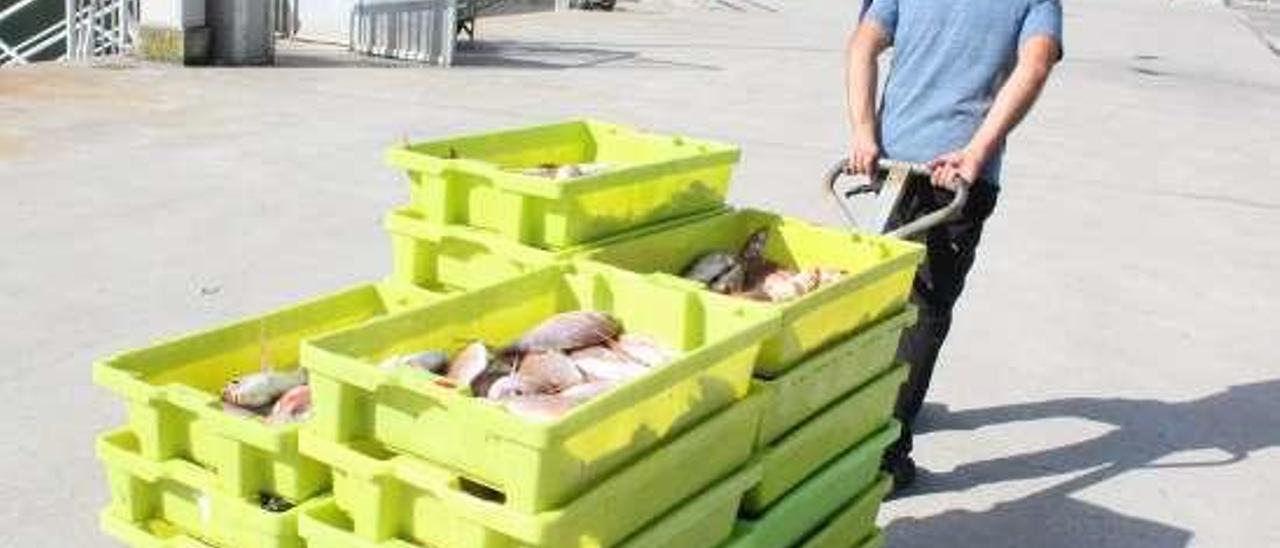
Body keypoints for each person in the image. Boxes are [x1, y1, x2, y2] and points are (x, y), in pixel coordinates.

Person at [844, 0, 1064, 490]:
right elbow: (1037, 61)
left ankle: (866, 412)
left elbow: (864, 43)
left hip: (893, 164)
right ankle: (885, 452)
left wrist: (863, 132)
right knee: (923, 308)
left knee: (884, 295)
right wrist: (978, 149)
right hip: (957, 175)